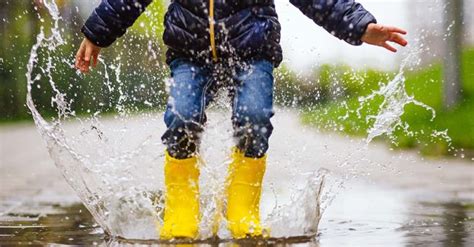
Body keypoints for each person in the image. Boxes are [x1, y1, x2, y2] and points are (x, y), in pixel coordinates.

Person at [75, 0, 407, 240]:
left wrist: (359, 25)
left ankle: (242, 205)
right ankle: (181, 206)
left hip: (252, 52)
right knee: (182, 119)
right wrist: (96, 34)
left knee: (254, 118)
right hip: (190, 53)